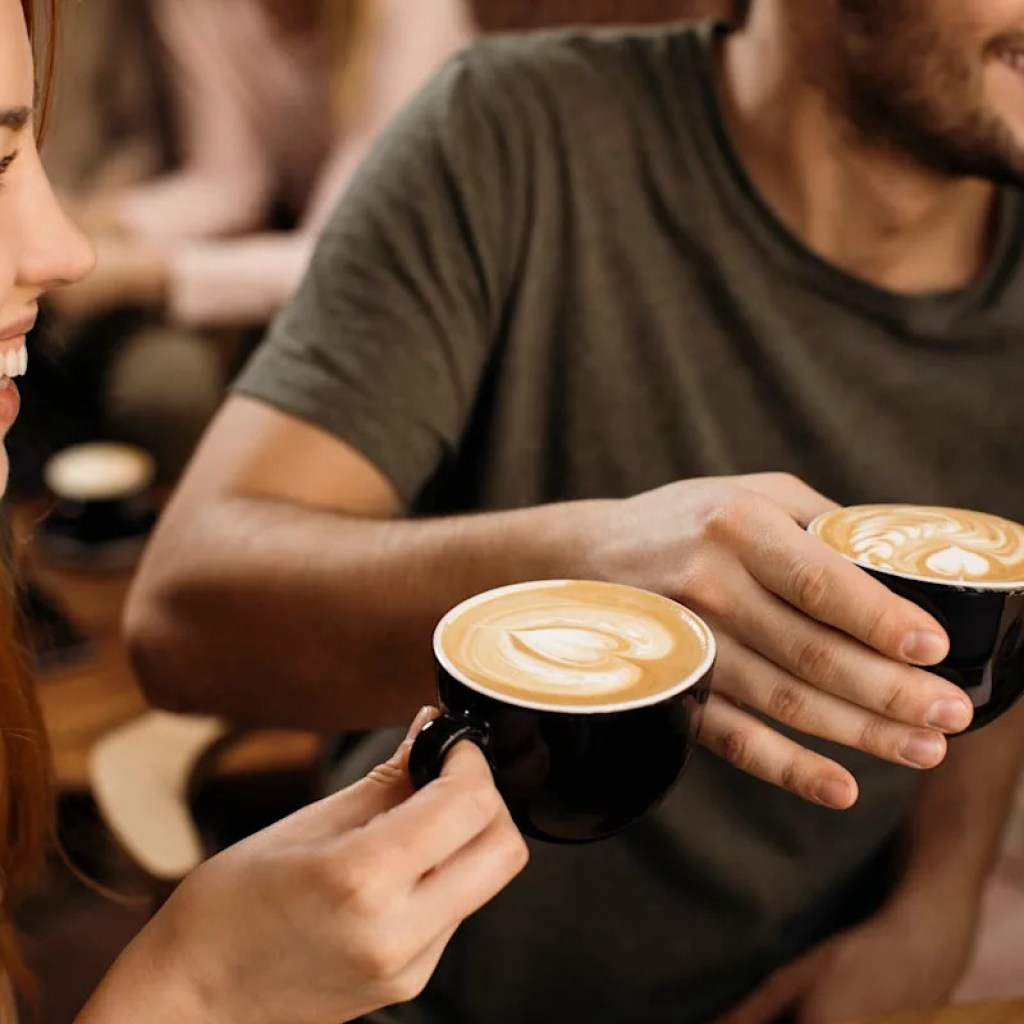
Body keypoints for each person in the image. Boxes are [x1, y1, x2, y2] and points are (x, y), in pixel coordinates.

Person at [125, 0, 1024, 1021]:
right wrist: (582, 563)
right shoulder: (512, 133)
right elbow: (181, 619)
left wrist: (935, 904)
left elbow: (987, 631)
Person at [0, 3, 526, 1019]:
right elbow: (226, 183)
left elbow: (344, 245)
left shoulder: (412, 28)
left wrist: (151, 269)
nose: (62, 247)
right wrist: (197, 979)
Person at [44, 0, 474, 480]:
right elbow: (230, 184)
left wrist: (137, 273)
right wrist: (100, 221)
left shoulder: (414, 13)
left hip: (430, 283)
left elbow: (338, 259)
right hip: (306, 276)